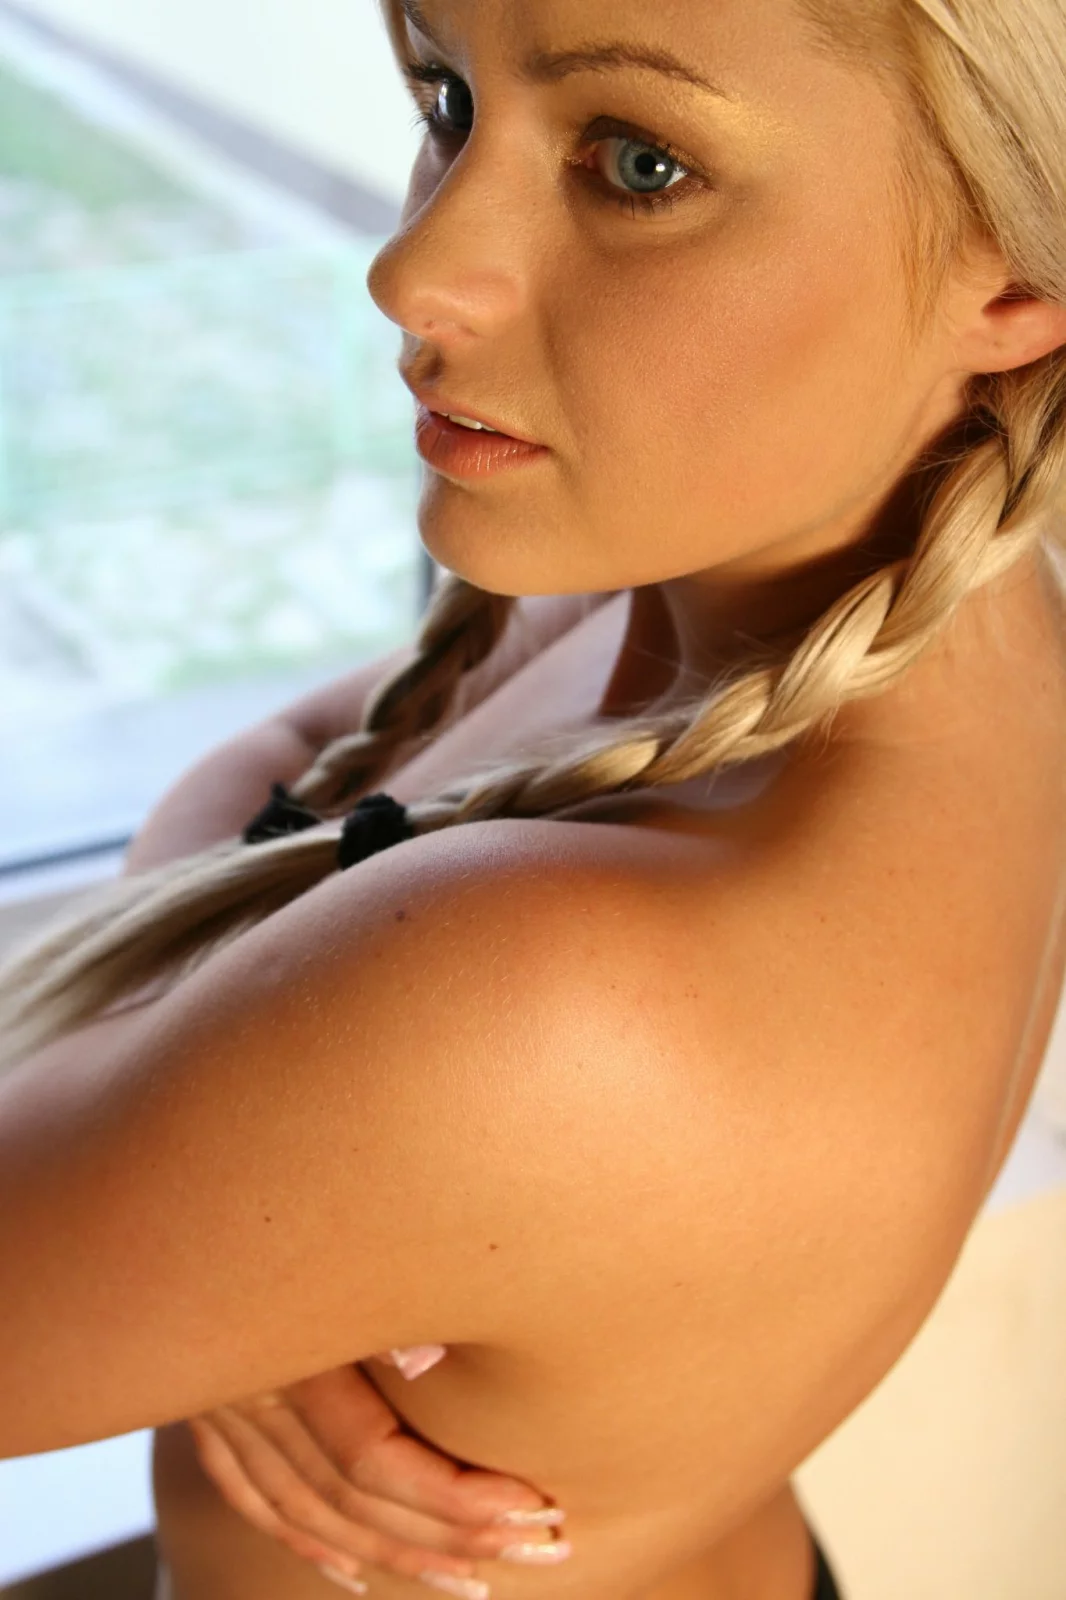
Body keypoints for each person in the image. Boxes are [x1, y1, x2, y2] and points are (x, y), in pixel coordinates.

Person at [2, 0, 1066, 1597]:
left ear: (1013, 272)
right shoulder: (919, 601)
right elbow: (288, 769)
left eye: (640, 165)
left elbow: (264, 825)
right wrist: (230, 1227)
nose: (411, 272)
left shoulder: (554, 998)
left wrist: (219, 1222)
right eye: (446, 96)